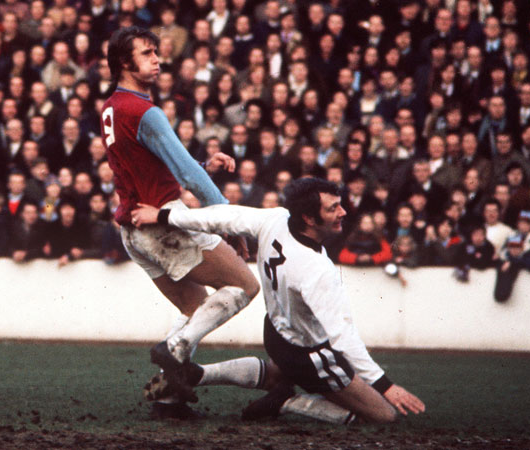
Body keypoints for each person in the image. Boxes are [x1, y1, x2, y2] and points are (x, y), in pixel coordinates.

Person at [132, 178, 425, 423]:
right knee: (383, 415)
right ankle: (290, 402)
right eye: (333, 208)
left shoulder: (277, 219)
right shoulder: (316, 269)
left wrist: (163, 216)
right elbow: (343, 338)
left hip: (276, 335)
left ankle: (197, 373)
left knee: (277, 374)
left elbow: (221, 216)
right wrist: (385, 386)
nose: (343, 212)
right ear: (309, 218)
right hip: (311, 354)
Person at [100, 26, 259, 411]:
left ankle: (170, 396)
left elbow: (145, 166)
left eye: (156, 52)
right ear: (125, 62)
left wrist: (204, 164)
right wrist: (228, 221)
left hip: (132, 231)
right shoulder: (145, 112)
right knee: (245, 286)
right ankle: (173, 350)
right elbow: (188, 176)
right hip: (164, 226)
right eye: (147, 53)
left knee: (195, 310)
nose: (157, 60)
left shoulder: (112, 107)